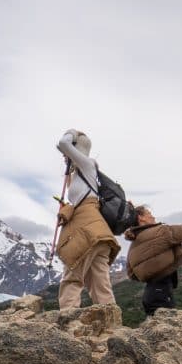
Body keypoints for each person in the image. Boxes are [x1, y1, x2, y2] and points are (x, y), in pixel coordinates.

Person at [55, 129, 120, 309]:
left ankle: (68, 318)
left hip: (86, 232)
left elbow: (63, 143)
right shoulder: (82, 173)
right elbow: (75, 197)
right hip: (98, 233)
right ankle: (110, 322)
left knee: (72, 277)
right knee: (100, 285)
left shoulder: (88, 164)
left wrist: (71, 133)